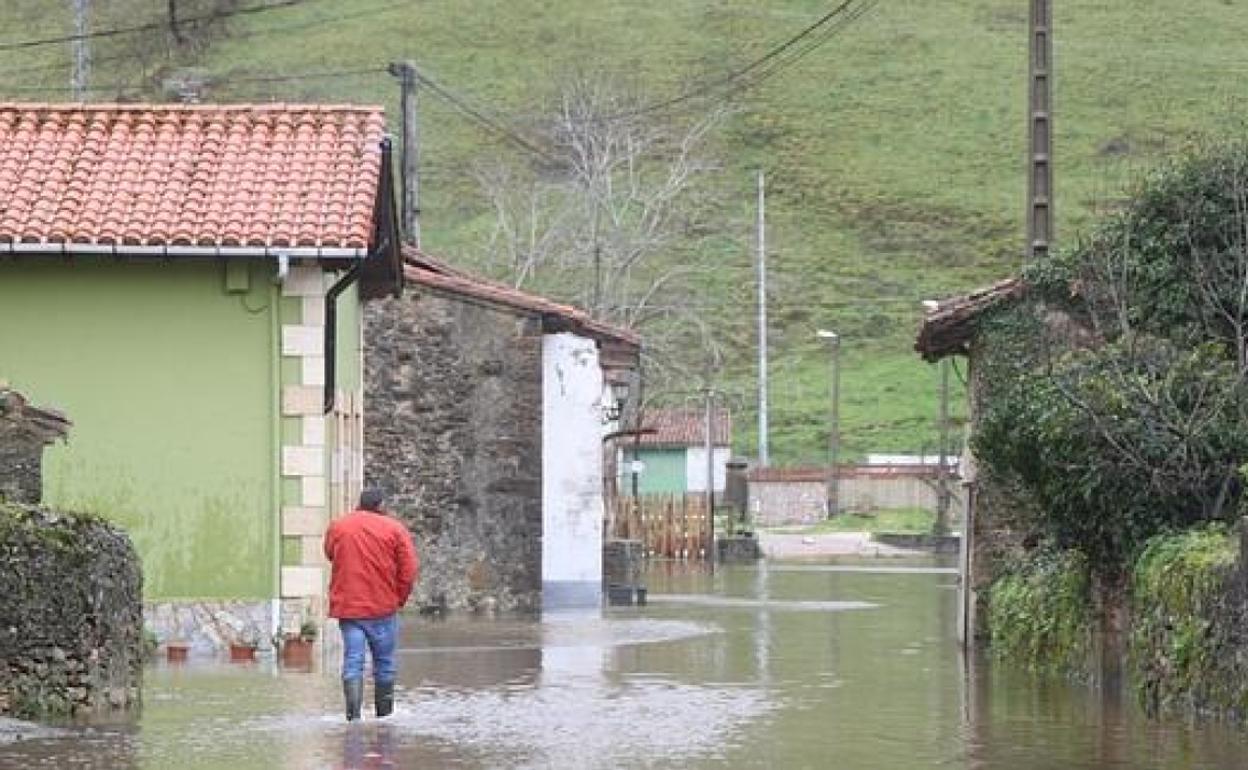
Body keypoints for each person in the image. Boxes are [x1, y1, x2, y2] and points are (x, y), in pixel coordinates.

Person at [324, 488, 419, 722]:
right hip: (382, 608)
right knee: (384, 663)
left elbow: (329, 553)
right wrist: (399, 598)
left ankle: (352, 716)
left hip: (349, 608)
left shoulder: (338, 527)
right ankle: (384, 717)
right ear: (381, 505)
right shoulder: (395, 529)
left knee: (353, 660)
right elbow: (409, 570)